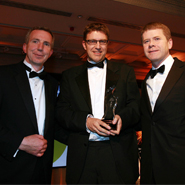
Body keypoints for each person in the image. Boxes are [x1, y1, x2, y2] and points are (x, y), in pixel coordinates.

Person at [56, 22, 140, 184]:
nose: (97, 46)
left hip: (116, 152)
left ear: (108, 44)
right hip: (83, 155)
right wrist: (85, 121)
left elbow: (135, 107)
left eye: (102, 41)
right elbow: (61, 111)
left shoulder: (125, 72)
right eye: (92, 41)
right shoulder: (69, 76)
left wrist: (123, 117)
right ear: (84, 44)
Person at [0, 26, 68, 184]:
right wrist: (20, 142)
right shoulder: (3, 76)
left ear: (50, 52)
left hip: (41, 171)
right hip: (7, 169)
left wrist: (88, 136)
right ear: (24, 47)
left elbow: (53, 126)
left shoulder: (52, 84)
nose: (40, 48)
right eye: (35, 41)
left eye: (46, 44)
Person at [140, 22, 185, 184]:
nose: (151, 44)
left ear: (170, 43)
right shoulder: (146, 80)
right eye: (146, 41)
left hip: (178, 167)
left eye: (157, 38)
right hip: (150, 168)